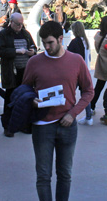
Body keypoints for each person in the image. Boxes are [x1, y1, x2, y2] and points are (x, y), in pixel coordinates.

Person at [23, 21, 94, 201]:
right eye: (44, 43)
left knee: (65, 175)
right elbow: (24, 90)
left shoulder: (76, 60)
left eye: (50, 42)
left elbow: (88, 91)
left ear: (61, 39)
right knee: (43, 176)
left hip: (67, 125)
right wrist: (31, 100)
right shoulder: (34, 62)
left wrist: (73, 113)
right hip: (42, 126)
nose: (46, 47)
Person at [0, 13, 37, 136]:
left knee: (25, 98)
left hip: (25, 72)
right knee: (10, 99)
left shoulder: (25, 33)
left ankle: (23, 124)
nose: (20, 26)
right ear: (11, 22)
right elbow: (0, 51)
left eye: (21, 24)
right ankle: (7, 126)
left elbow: (33, 46)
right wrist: (16, 51)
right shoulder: (4, 34)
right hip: (11, 72)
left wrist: (32, 51)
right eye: (18, 24)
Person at [67, 21, 93, 125]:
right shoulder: (86, 41)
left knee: (69, 93)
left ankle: (70, 114)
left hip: (77, 72)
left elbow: (70, 56)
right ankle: (88, 116)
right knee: (86, 94)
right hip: (86, 70)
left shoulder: (75, 42)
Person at [91, 16, 107, 114]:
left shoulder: (98, 36)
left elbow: (98, 50)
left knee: (98, 87)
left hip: (102, 63)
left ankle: (91, 106)